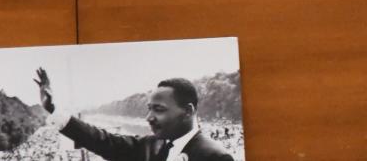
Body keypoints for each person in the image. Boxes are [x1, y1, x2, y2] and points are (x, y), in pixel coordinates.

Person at [33, 69, 233, 161]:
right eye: (149, 108)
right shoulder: (149, 145)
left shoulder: (215, 156)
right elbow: (101, 140)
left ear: (187, 111)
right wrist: (53, 109)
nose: (149, 118)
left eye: (159, 109)